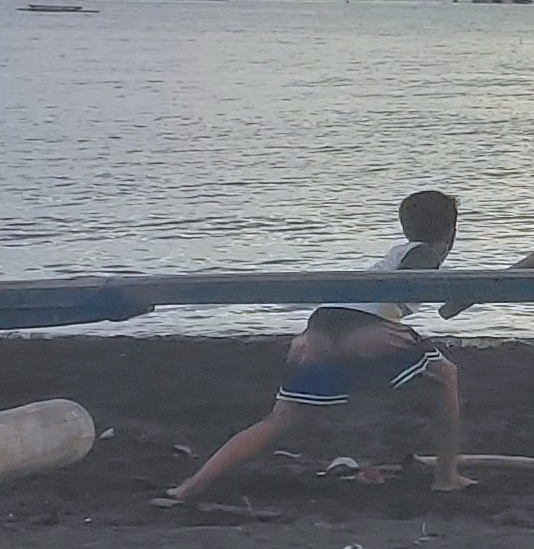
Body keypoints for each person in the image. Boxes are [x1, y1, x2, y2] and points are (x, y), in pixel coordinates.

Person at [165, 190, 471, 502]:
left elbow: (439, 306)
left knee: (280, 420)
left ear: (405, 226)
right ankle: (446, 476)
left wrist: (460, 294)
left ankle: (190, 486)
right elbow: (411, 280)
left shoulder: (397, 255)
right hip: (365, 328)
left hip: (320, 330)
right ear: (451, 232)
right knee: (445, 374)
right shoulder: (423, 254)